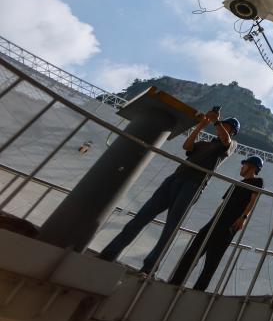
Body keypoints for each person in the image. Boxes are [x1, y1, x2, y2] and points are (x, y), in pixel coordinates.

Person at [99, 109, 237, 274]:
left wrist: (216, 121)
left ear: (232, 131)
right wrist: (200, 126)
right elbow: (187, 146)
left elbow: (225, 140)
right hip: (176, 178)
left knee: (170, 228)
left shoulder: (229, 145)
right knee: (142, 216)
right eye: (223, 125)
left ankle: (150, 267)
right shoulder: (205, 143)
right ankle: (110, 253)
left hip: (193, 185)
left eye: (226, 126)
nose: (222, 127)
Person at [169, 154, 264, 290]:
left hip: (230, 224)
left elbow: (253, 200)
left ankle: (199, 289)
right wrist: (213, 219)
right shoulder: (236, 183)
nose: (242, 167)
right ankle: (176, 281)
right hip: (216, 221)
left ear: (252, 167)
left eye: (244, 164)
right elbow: (223, 204)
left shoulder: (257, 182)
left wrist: (243, 217)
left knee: (213, 258)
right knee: (196, 248)